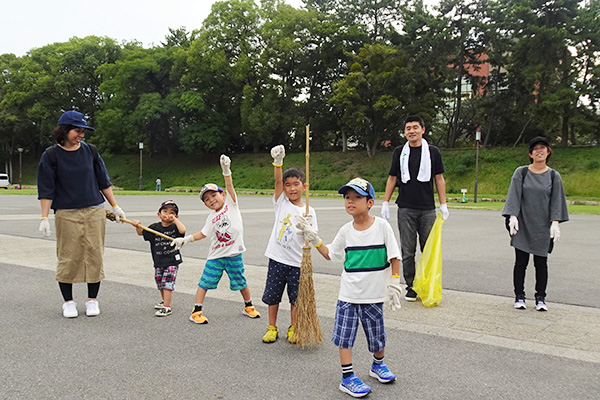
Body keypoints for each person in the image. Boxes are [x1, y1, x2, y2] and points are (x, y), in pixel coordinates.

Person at [297, 177, 401, 398]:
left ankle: (378, 365)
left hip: (374, 295)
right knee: (345, 336)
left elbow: (394, 255)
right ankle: (347, 377)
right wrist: (314, 238)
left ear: (370, 202)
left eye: (356, 197)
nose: (350, 201)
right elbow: (330, 254)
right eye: (347, 198)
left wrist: (394, 280)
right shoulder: (345, 231)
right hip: (348, 295)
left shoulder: (382, 227)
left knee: (377, 335)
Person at [37, 110, 126, 318]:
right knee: (68, 256)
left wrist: (115, 206)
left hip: (94, 210)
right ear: (64, 131)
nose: (81, 135)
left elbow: (103, 181)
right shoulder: (50, 155)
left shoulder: (91, 151)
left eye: (83, 131)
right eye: (77, 131)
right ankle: (68, 302)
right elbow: (46, 189)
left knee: (95, 254)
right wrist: (44, 217)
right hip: (66, 213)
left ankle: (92, 300)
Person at [171, 155, 261, 323]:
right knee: (205, 281)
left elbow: (229, 185)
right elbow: (203, 233)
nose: (211, 200)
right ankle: (196, 311)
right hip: (216, 256)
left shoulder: (231, 204)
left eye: (213, 195)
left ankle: (248, 306)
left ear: (222, 195)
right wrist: (186, 239)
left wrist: (226, 171)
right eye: (206, 199)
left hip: (234, 254)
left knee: (241, 281)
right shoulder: (211, 218)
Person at [381, 115, 448, 302]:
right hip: (406, 208)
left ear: (423, 130)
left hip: (427, 209)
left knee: (428, 250)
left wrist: (443, 204)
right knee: (407, 251)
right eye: (408, 128)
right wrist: (385, 202)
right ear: (404, 132)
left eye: (415, 127)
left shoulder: (432, 152)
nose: (411, 131)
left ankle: (427, 284)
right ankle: (411, 286)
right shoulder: (399, 152)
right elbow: (393, 178)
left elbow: (439, 178)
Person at [502, 136, 568, 311]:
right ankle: (519, 296)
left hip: (542, 225)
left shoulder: (553, 176)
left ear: (548, 152)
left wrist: (555, 222)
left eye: (543, 148)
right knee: (521, 262)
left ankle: (540, 298)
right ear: (530, 154)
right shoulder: (521, 172)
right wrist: (512, 216)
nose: (539, 151)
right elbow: (514, 195)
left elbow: (556, 201)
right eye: (536, 149)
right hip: (523, 223)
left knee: (541, 262)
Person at [261, 145, 319, 344]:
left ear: (304, 185)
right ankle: (272, 327)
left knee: (296, 299)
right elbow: (277, 180)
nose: (292, 188)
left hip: (298, 263)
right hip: (277, 258)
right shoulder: (281, 204)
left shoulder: (309, 211)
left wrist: (308, 231)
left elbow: (313, 237)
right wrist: (278, 163)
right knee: (273, 295)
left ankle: (293, 327)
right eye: (288, 185)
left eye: (296, 184)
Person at [131, 200, 186, 317]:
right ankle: (164, 301)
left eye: (172, 212)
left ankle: (167, 307)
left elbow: (183, 231)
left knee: (167, 283)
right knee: (160, 282)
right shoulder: (154, 227)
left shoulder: (175, 227)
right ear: (159, 214)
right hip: (158, 261)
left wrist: (175, 220)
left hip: (172, 261)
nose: (168, 214)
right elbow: (141, 233)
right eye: (165, 211)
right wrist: (137, 225)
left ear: (176, 216)